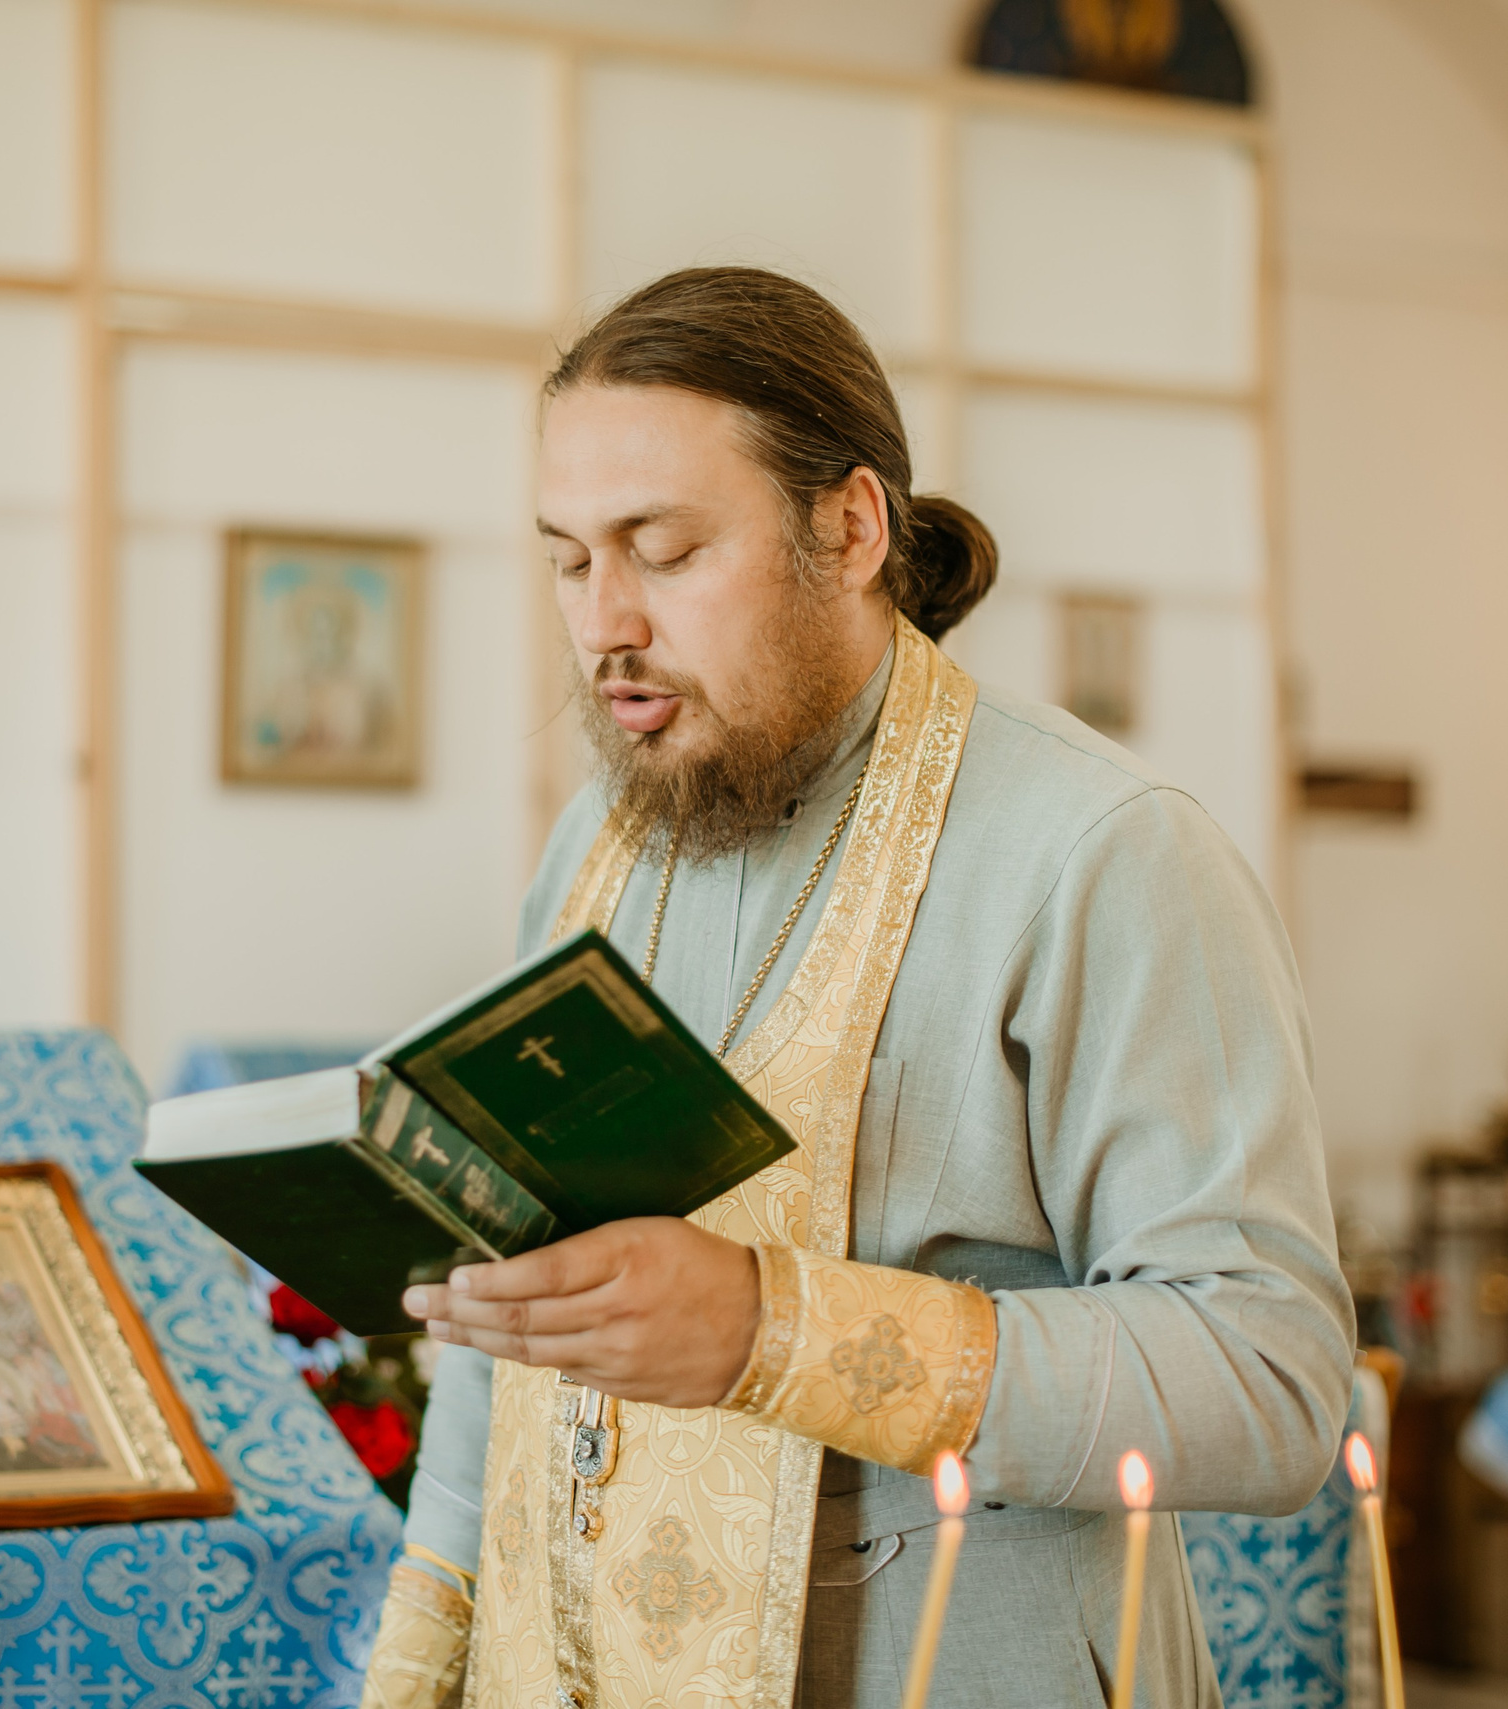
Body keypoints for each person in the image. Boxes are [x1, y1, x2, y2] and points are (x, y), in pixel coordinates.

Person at [356, 267, 1353, 1709]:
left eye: (666, 547)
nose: (605, 623)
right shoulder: (599, 841)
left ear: (852, 527)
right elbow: (514, 1299)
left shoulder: (1100, 852)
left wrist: (774, 1329)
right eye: (571, 558)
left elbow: (1268, 1374)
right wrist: (416, 1666)